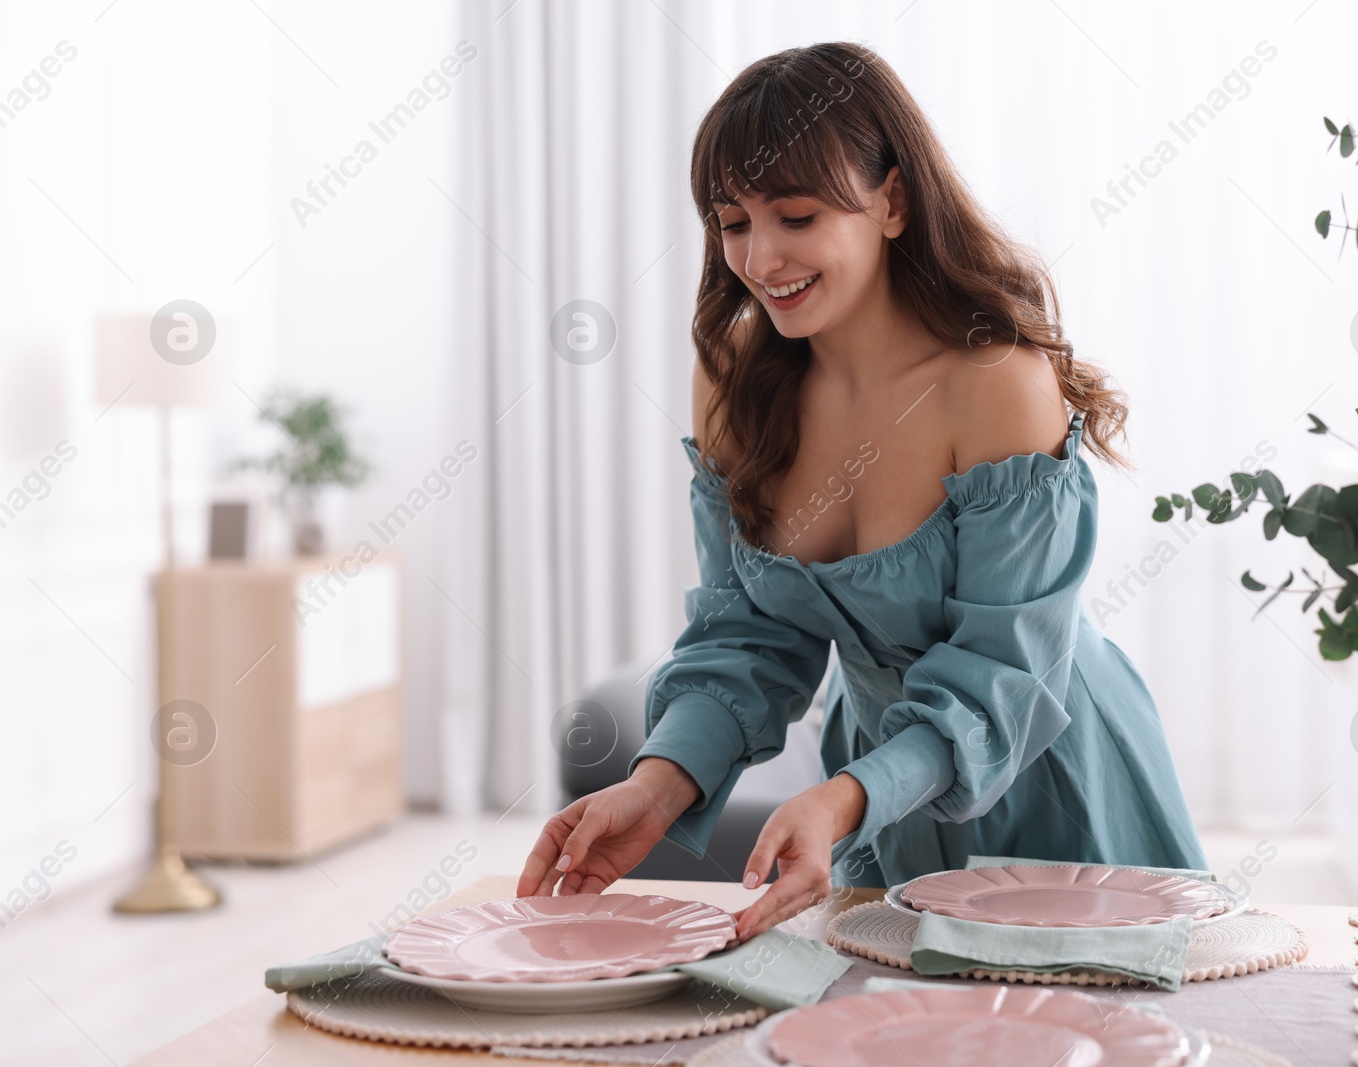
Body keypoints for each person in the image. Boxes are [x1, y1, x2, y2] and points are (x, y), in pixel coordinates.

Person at [517, 41, 1207, 942]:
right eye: (732, 223)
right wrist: (655, 785)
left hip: (1048, 767)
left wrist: (848, 796)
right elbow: (745, 635)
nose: (760, 258)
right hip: (872, 784)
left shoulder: (995, 381)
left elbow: (1002, 673)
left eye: (796, 216)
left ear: (892, 201)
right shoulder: (733, 377)